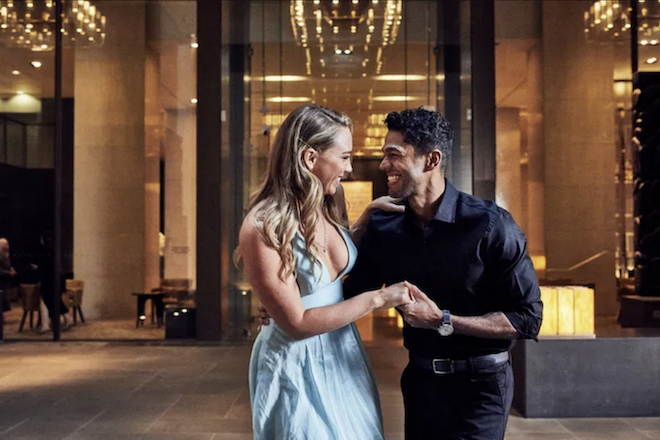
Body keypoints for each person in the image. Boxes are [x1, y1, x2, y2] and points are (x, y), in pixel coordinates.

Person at [341, 108, 543, 440]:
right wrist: (290, 302)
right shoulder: (384, 226)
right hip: (420, 383)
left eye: (394, 155)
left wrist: (443, 320)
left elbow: (527, 319)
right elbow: (351, 294)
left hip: (483, 387)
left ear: (431, 160)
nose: (383, 166)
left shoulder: (491, 225)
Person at [236, 104, 414, 440]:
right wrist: (379, 298)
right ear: (309, 159)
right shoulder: (261, 225)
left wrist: (363, 221)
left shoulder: (328, 200)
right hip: (295, 361)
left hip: (342, 351)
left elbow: (327, 263)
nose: (349, 168)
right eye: (344, 157)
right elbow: (297, 324)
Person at [0, 238, 17, 314]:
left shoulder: (6, 254)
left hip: (4, 281)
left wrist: (11, 269)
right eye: (6, 244)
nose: (8, 246)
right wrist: (8, 273)